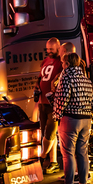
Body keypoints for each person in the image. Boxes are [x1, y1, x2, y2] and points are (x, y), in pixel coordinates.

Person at [52, 53, 93, 184]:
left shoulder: (66, 78)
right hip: (86, 119)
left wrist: (56, 114)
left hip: (70, 119)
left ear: (67, 64)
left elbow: (62, 100)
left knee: (67, 152)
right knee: (82, 152)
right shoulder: (85, 79)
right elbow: (92, 99)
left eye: (63, 63)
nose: (62, 65)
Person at [34, 38, 63, 174]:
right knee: (47, 133)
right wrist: (36, 86)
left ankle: (42, 157)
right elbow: (40, 77)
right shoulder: (45, 61)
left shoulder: (61, 62)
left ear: (58, 48)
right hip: (42, 102)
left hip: (53, 103)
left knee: (49, 133)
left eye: (51, 49)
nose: (49, 51)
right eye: (47, 49)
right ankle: (54, 162)